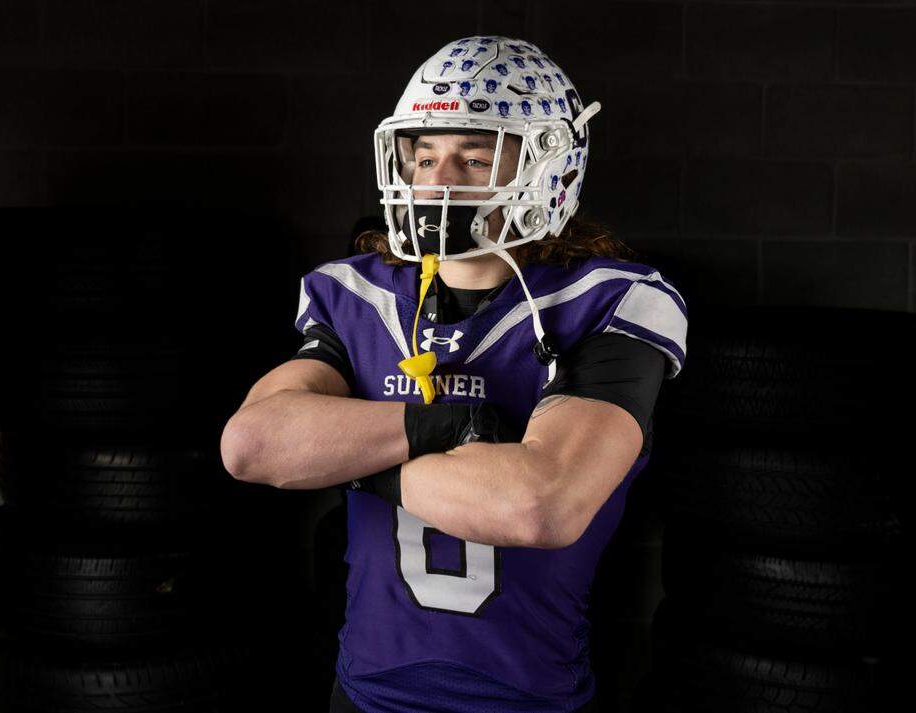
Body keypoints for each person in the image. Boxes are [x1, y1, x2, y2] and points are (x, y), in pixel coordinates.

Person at [222, 35, 688, 713]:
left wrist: (352, 458)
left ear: (547, 169)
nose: (438, 182)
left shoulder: (609, 301)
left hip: (528, 700)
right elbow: (251, 445)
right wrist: (439, 425)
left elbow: (540, 503)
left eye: (472, 159)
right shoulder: (358, 293)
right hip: (363, 695)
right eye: (425, 156)